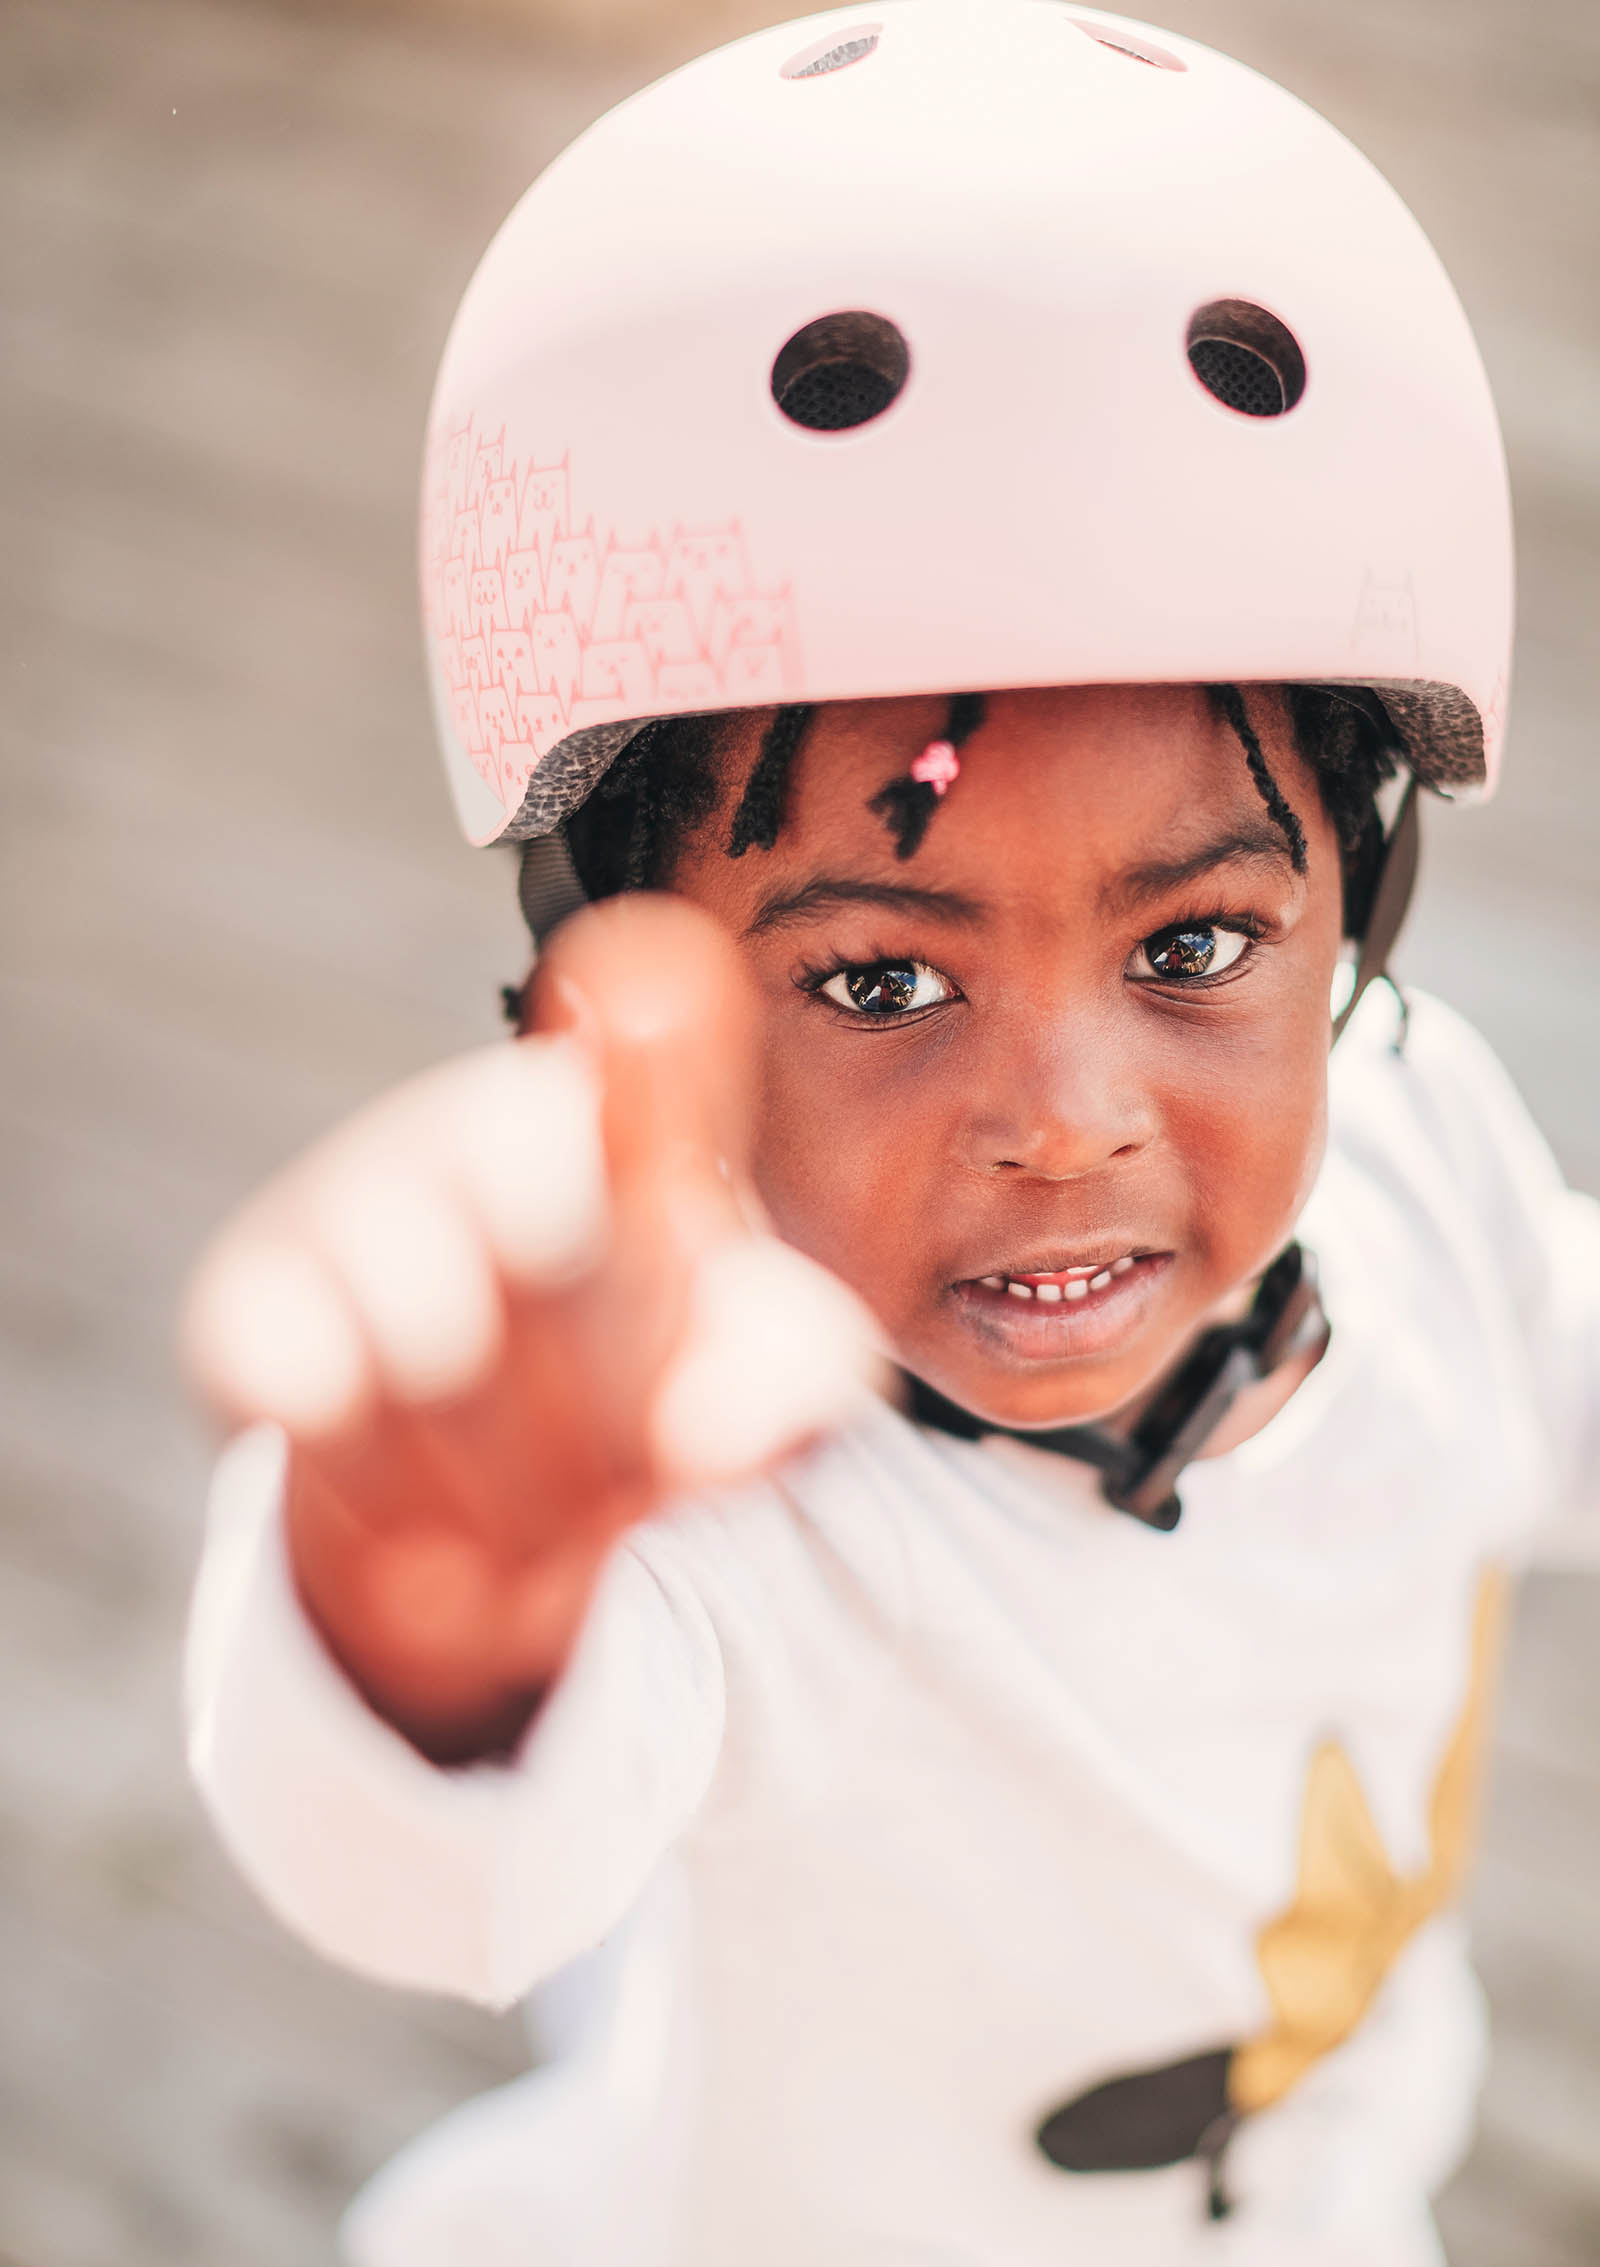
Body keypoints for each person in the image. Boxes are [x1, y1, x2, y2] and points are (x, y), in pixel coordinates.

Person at [179, 7, 1599, 2264]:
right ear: (618, 986)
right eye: (875, 983)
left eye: (1198, 947)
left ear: (1362, 885)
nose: (1058, 1117)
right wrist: (416, 1598)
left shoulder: (1422, 1158)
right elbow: (430, 1874)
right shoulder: (742, 1513)